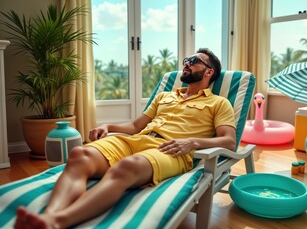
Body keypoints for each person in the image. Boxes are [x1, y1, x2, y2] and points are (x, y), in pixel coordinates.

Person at [14, 48, 236, 229]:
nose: (186, 63)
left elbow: (228, 140)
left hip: (170, 149)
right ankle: (48, 216)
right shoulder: (165, 96)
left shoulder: (218, 103)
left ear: (209, 72)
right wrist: (107, 126)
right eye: (186, 59)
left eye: (194, 60)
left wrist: (193, 142)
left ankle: (57, 222)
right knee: (80, 153)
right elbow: (135, 126)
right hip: (137, 140)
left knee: (127, 166)